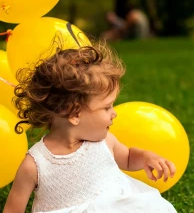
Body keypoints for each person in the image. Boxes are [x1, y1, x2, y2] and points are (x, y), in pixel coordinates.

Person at [3, 41, 177, 213]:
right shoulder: (35, 165)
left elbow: (129, 157)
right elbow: (13, 209)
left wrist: (147, 158)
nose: (114, 113)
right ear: (74, 113)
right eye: (107, 107)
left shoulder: (104, 142)